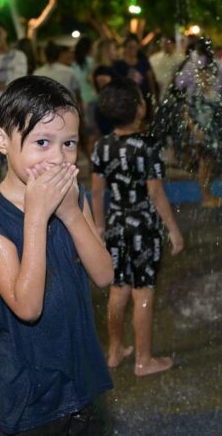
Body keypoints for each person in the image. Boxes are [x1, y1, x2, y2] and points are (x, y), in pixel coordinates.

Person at [0, 76, 114, 434]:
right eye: (42, 142)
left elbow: (105, 274)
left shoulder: (72, 196)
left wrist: (71, 213)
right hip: (31, 395)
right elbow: (27, 307)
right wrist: (36, 214)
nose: (57, 158)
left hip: (82, 379)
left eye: (69, 144)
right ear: (2, 140)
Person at [90, 77, 183, 376]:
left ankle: (115, 351)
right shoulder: (148, 145)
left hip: (116, 224)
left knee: (119, 289)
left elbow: (97, 193)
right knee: (143, 292)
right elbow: (156, 193)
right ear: (139, 110)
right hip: (143, 227)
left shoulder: (101, 147)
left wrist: (99, 229)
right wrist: (173, 228)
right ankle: (144, 360)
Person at [184, 63, 222, 208]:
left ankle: (208, 194)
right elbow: (187, 114)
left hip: (212, 136)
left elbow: (219, 117)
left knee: (210, 164)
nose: (204, 78)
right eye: (202, 75)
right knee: (203, 164)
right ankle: (205, 197)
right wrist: (194, 130)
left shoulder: (215, 95)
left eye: (207, 75)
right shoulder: (194, 95)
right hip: (199, 135)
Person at [112, 34, 158, 119]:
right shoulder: (118, 66)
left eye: (135, 47)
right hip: (127, 103)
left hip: (144, 100)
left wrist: (153, 101)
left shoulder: (143, 62)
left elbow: (151, 81)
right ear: (125, 48)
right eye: (130, 47)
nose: (133, 49)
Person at [148, 34, 184, 102]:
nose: (165, 45)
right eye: (163, 43)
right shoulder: (154, 59)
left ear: (173, 44)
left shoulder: (180, 59)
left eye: (167, 43)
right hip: (158, 91)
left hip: (174, 93)